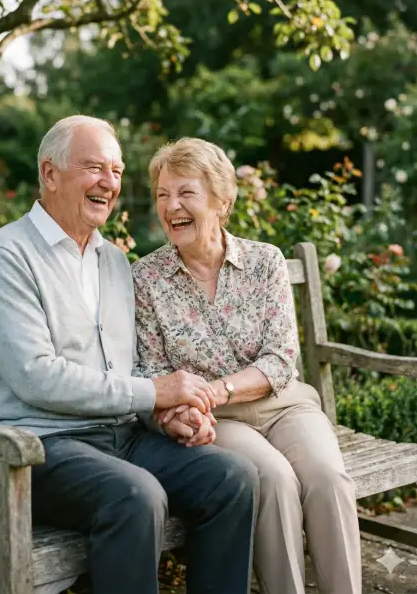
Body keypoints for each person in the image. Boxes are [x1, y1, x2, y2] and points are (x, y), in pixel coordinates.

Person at [0, 116, 259, 594]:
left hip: (117, 439)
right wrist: (155, 392)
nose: (109, 183)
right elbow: (36, 377)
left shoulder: (115, 262)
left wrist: (168, 417)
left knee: (231, 476)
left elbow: (126, 372)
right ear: (49, 174)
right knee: (135, 494)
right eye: (94, 168)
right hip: (32, 450)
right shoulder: (6, 255)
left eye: (118, 171)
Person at [132, 137, 362, 594]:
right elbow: (152, 372)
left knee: (327, 477)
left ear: (221, 202)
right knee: (273, 480)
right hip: (219, 422)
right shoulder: (146, 278)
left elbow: (280, 359)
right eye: (162, 194)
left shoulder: (264, 261)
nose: (171, 205)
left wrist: (216, 389)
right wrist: (184, 415)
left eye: (186, 193)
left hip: (285, 405)